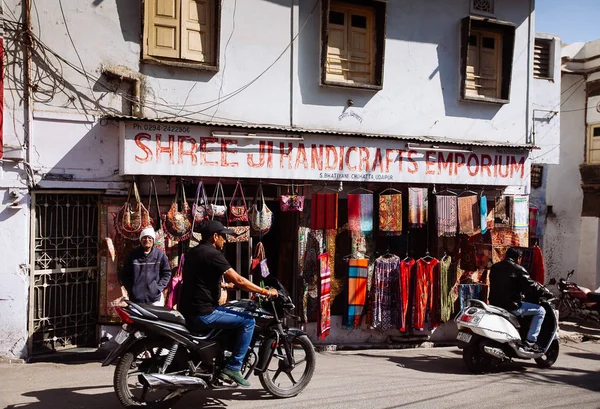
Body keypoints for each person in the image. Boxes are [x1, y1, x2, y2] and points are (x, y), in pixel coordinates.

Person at [178, 220, 278, 387]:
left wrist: (224, 285)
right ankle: (233, 366)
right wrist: (265, 292)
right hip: (203, 312)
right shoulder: (213, 254)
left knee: (231, 311)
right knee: (248, 321)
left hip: (189, 309)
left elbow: (199, 280)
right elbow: (239, 279)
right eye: (223, 236)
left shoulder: (193, 252)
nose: (225, 240)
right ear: (214, 236)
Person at [488, 247, 553, 352]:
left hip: (495, 303)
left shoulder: (495, 267)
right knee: (541, 310)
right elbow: (531, 285)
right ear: (518, 258)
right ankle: (530, 341)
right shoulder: (518, 269)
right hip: (511, 305)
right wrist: (545, 292)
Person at [121, 226, 172, 306]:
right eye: (144, 238)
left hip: (155, 299)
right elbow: (125, 275)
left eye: (149, 238)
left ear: (153, 240)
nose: (147, 240)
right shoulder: (133, 255)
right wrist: (131, 289)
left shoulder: (160, 255)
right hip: (136, 299)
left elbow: (167, 273)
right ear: (141, 240)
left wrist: (158, 288)